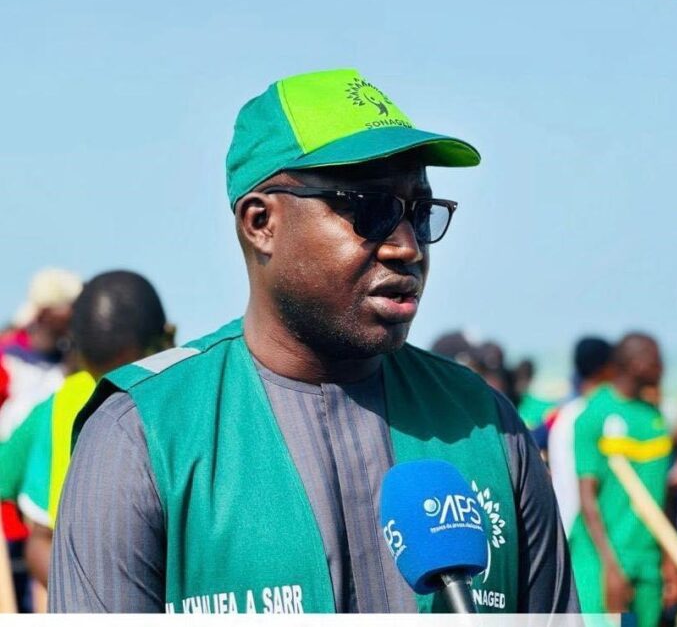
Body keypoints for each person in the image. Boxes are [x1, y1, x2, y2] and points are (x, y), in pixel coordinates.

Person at [50, 68, 578, 614]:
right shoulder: (142, 436)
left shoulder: (485, 426)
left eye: (420, 214)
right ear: (261, 223)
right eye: (369, 209)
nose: (408, 248)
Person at [2, 271, 174, 590]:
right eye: (103, 380)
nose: (119, 396)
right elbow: (41, 537)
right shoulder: (61, 406)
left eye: (134, 375)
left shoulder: (194, 397)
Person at [570, 332, 677, 626]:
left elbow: (664, 496)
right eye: (656, 359)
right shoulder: (594, 414)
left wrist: (671, 560)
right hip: (601, 557)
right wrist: (610, 567)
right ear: (636, 363)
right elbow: (588, 499)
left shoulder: (655, 418)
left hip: (647, 560)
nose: (663, 367)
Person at [0, 268, 81, 612]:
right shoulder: (8, 361)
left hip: (42, 502)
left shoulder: (69, 369)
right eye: (68, 306)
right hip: (12, 511)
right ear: (48, 312)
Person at [547, 336, 613, 534]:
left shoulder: (563, 414)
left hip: (563, 524)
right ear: (607, 369)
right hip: (588, 533)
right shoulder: (598, 417)